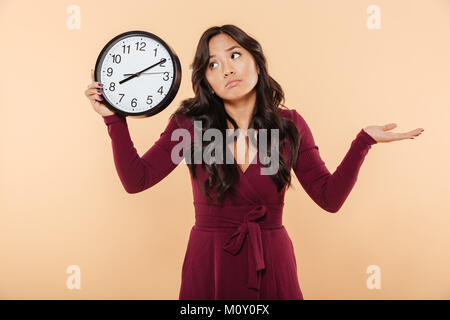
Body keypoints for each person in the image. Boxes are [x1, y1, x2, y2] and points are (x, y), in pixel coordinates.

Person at [84, 24, 424, 300]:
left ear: (257, 64)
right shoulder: (189, 125)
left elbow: (329, 197)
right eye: (213, 64)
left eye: (235, 55)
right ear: (207, 82)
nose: (227, 68)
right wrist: (114, 120)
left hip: (271, 262)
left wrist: (362, 142)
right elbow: (136, 180)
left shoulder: (289, 124)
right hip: (209, 264)